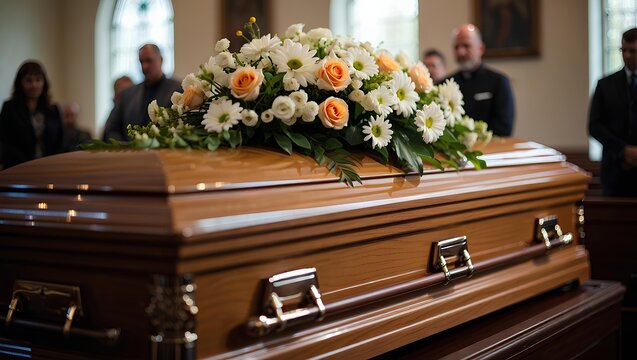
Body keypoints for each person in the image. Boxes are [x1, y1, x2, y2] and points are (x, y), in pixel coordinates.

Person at [589, 28, 637, 197]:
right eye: (623, 50)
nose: (627, 55)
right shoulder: (605, 84)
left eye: (633, 51)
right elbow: (594, 126)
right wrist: (623, 150)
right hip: (615, 172)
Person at [103, 44, 181, 141]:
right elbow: (112, 129)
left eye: (149, 60)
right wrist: (125, 148)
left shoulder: (177, 89)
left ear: (161, 60)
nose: (144, 66)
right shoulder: (127, 94)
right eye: (141, 62)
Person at [450, 24, 515, 137]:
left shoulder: (499, 82)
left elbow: (504, 128)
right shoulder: (446, 84)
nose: (461, 52)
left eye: (466, 46)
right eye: (456, 47)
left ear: (481, 48)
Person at [0, 61, 64, 169]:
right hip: (17, 168)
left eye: (38, 80)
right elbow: (3, 141)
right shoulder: (9, 108)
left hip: (49, 168)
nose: (34, 85)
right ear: (20, 83)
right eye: (28, 81)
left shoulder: (53, 110)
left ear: (44, 83)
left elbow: (61, 142)